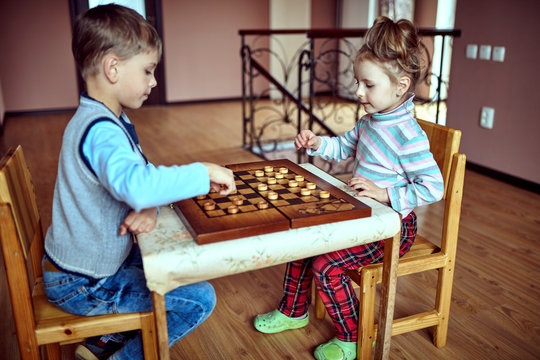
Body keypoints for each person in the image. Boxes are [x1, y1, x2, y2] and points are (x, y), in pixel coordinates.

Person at [42, 4, 236, 360]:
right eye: (147, 71)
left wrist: (146, 204)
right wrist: (202, 172)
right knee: (199, 298)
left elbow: (139, 175)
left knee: (163, 254)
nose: (154, 81)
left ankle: (104, 340)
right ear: (112, 68)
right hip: (83, 284)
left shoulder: (105, 119)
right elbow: (138, 183)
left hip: (78, 268)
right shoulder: (101, 132)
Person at [253, 16, 444, 360]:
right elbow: (343, 148)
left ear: (400, 86)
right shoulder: (369, 122)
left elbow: (433, 188)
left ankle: (354, 337)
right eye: (358, 82)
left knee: (326, 265)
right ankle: (294, 310)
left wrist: (386, 193)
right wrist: (316, 143)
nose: (358, 92)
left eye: (368, 85)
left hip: (392, 228)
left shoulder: (408, 136)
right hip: (363, 217)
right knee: (302, 242)